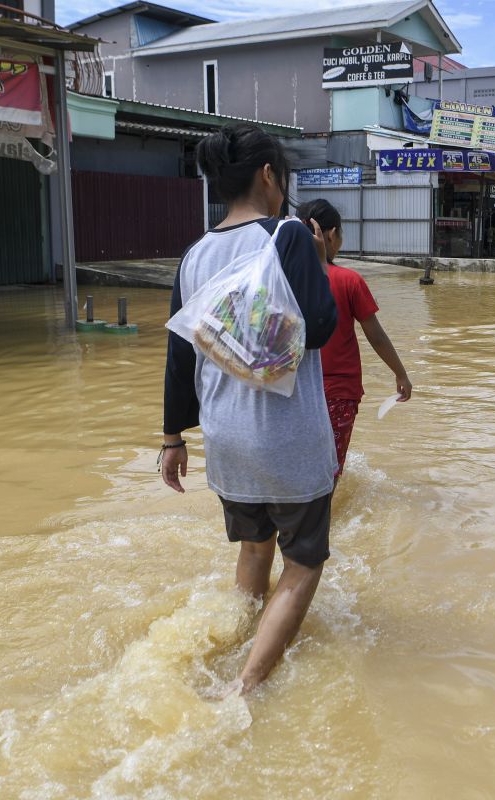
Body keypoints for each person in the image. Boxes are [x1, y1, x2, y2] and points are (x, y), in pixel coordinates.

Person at [161, 123, 338, 694]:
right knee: (304, 561)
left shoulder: (194, 254)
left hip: (226, 439)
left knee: (255, 547)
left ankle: (233, 643)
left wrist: (172, 438)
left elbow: (178, 354)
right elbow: (320, 329)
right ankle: (249, 682)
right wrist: (313, 257)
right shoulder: (288, 236)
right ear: (268, 176)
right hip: (285, 437)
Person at [295, 199, 413, 479]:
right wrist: (401, 374)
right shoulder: (349, 281)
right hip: (338, 393)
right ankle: (325, 522)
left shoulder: (283, 278)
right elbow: (376, 335)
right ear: (332, 234)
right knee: (330, 469)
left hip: (294, 391)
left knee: (299, 467)